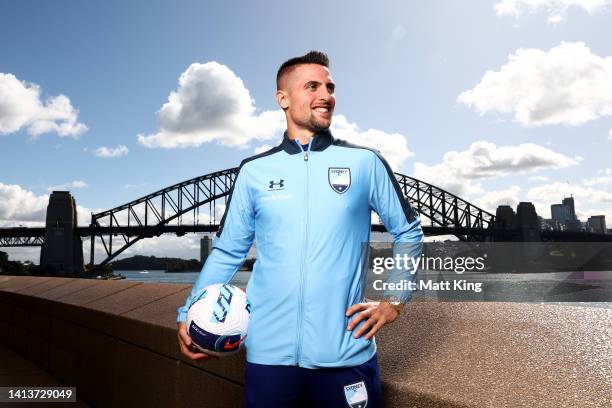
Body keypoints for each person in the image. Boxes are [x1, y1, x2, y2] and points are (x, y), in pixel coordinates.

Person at [177, 51, 423, 407]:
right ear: (283, 99)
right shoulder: (253, 172)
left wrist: (395, 301)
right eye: (312, 86)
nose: (326, 95)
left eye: (330, 86)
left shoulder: (365, 162)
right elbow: (228, 251)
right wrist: (187, 316)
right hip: (268, 359)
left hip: (345, 356)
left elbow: (409, 233)